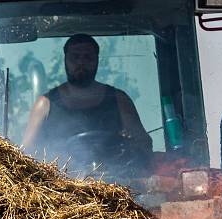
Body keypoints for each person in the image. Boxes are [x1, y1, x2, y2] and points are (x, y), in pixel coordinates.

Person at [21, 33, 153, 167]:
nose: (81, 63)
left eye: (88, 57)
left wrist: (128, 145)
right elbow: (25, 155)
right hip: (58, 184)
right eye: (75, 57)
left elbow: (144, 144)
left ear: (97, 60)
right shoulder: (44, 104)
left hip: (115, 183)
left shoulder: (119, 100)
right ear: (65, 60)